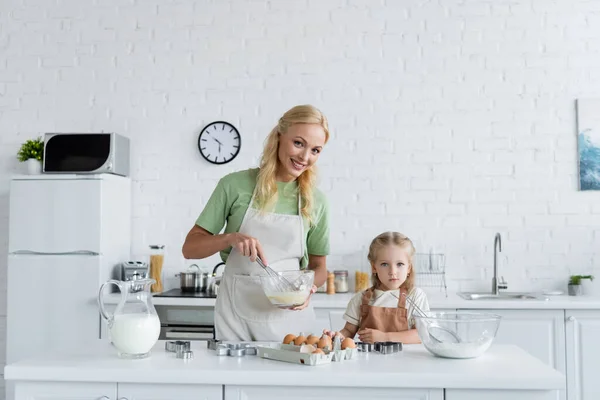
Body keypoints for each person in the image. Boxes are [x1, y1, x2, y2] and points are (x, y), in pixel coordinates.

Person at [182, 104, 330, 341]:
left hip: (292, 324)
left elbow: (319, 267)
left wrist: (309, 289)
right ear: (279, 137)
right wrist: (230, 238)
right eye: (299, 143)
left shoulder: (316, 200)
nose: (305, 157)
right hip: (236, 321)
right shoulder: (234, 185)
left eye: (316, 150)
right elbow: (189, 249)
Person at [325, 231, 429, 344]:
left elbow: (422, 334)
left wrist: (384, 337)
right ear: (374, 267)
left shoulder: (415, 296)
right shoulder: (360, 299)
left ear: (409, 268)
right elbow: (348, 331)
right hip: (368, 361)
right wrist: (337, 337)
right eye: (385, 264)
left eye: (400, 264)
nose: (392, 272)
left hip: (405, 361)